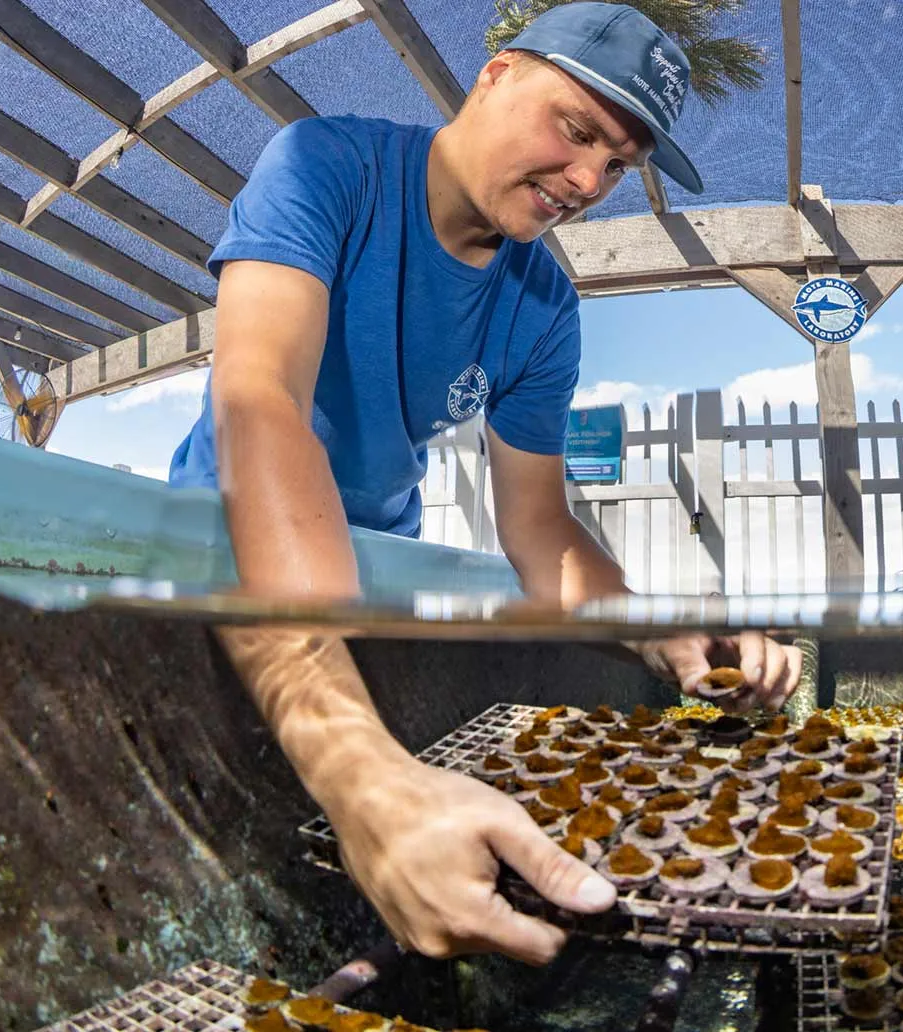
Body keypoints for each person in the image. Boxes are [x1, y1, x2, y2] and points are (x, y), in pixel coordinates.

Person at [167, 3, 803, 966]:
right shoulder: (324, 166)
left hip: (381, 564)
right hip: (222, 544)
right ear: (497, 75)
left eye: (620, 164)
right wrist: (362, 777)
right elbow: (261, 408)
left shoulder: (546, 307)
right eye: (577, 129)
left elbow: (541, 530)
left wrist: (661, 631)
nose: (589, 181)